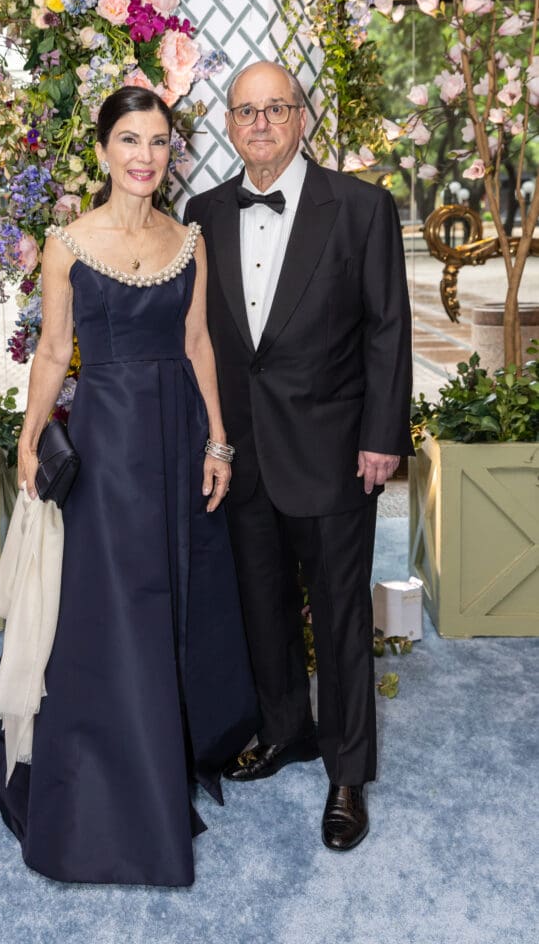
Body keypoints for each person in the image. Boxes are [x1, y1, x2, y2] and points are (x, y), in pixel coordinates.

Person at [0, 86, 259, 887]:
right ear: (103, 150)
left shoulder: (187, 239)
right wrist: (29, 436)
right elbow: (52, 350)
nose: (145, 156)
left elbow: (198, 343)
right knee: (113, 609)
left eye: (158, 141)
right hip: (106, 449)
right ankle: (115, 788)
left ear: (172, 153)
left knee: (175, 595)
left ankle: (171, 749)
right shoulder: (67, 242)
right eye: (130, 140)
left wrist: (218, 440)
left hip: (178, 437)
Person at [183, 61, 413, 851]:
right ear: (228, 124)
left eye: (274, 108)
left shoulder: (360, 206)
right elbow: (203, 340)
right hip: (241, 452)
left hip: (333, 450)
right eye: (245, 111)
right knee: (262, 605)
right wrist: (209, 438)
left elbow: (387, 328)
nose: (259, 124)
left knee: (341, 617)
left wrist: (382, 435)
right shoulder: (203, 212)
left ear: (301, 117)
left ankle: (347, 772)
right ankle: (287, 731)